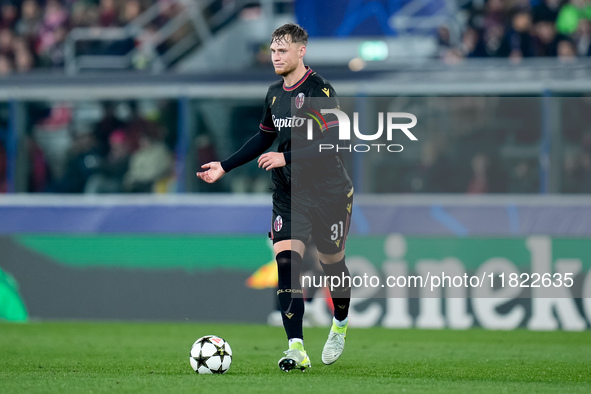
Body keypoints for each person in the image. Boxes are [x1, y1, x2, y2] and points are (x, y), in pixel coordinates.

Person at [197, 23, 353, 372]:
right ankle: (296, 348)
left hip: (328, 192)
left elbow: (334, 143)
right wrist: (225, 165)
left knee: (332, 264)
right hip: (289, 191)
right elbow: (263, 138)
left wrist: (287, 156)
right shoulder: (274, 94)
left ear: (301, 51)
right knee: (287, 264)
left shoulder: (320, 90)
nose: (275, 57)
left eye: (282, 50)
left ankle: (340, 323)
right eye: (272, 51)